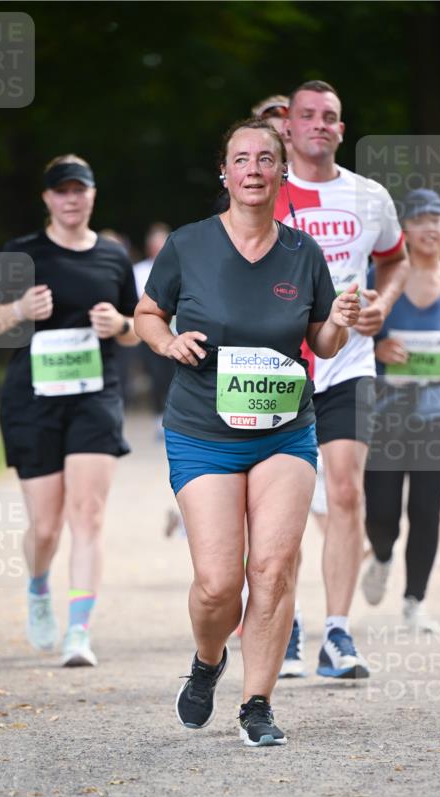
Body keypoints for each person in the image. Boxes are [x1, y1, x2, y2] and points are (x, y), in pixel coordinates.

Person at [134, 119, 359, 747]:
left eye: (266, 158)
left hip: (285, 431)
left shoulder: (303, 253)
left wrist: (340, 320)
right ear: (225, 172)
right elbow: (147, 313)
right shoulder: (188, 244)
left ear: (282, 171)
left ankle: (256, 703)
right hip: (202, 430)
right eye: (241, 159)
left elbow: (322, 341)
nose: (254, 169)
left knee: (273, 567)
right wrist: (167, 341)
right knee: (217, 584)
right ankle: (208, 660)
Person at [0, 155, 139, 667]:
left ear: (92, 195)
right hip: (32, 400)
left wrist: (121, 325)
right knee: (45, 527)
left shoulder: (112, 256)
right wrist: (19, 310)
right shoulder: (21, 253)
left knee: (87, 515)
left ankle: (79, 632)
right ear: (47, 198)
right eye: (61, 191)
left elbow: (140, 327)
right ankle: (39, 585)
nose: (71, 199)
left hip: (94, 396)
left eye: (79, 190)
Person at [275, 79, 408, 679]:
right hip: (280, 368)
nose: (319, 125)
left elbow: (395, 259)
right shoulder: (266, 192)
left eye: (329, 116)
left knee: (346, 492)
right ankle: (284, 623)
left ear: (341, 129)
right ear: (288, 126)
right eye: (308, 115)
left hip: (349, 363)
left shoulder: (369, 196)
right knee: (279, 504)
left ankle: (337, 633)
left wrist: (383, 303)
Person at [361, 188, 440, 631]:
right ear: (405, 231)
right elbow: (355, 338)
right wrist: (379, 347)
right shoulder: (380, 278)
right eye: (420, 220)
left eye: (437, 219)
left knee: (427, 510)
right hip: (385, 412)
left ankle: (415, 602)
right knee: (381, 513)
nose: (430, 227)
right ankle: (381, 555)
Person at [133, 224, 175, 431]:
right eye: (155, 246)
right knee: (156, 374)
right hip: (150, 330)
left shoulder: (179, 266)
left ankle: (173, 413)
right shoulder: (139, 270)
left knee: (174, 374)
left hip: (176, 331)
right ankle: (159, 414)